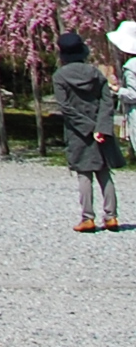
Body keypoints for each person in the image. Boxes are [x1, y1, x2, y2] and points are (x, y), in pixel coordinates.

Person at [54, 30, 122, 232]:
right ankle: (111, 217)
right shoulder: (95, 73)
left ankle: (87, 218)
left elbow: (65, 107)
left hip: (78, 132)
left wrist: (87, 127)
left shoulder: (60, 76)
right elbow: (107, 101)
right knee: (104, 172)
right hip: (100, 131)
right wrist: (100, 127)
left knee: (84, 174)